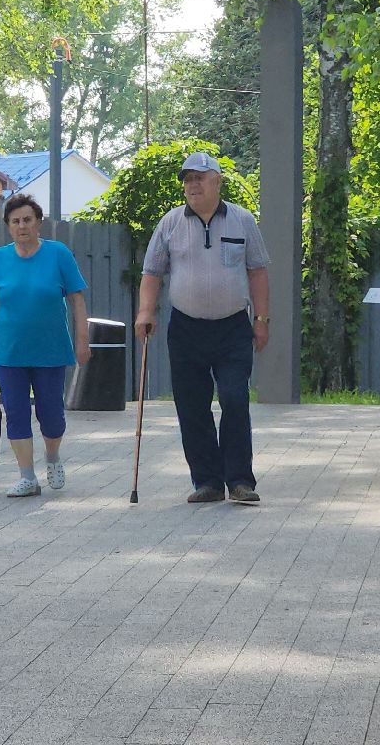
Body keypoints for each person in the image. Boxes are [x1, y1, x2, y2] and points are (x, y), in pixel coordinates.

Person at [134, 152, 271, 504]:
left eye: (199, 177)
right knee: (192, 406)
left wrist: (262, 319)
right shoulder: (170, 223)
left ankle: (240, 480)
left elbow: (257, 271)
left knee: (234, 399)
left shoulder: (242, 221)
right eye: (187, 179)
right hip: (186, 329)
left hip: (233, 328)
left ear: (217, 182)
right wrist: (145, 312)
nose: (192, 184)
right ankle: (207, 482)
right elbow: (152, 273)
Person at [0, 194, 91, 498]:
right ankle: (27, 476)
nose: (22, 226)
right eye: (15, 221)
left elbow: (76, 299)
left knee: (51, 414)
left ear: (38, 223)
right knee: (16, 412)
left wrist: (82, 340)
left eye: (27, 220)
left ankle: (52, 457)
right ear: (8, 227)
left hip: (50, 350)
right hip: (10, 352)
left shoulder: (58, 254)